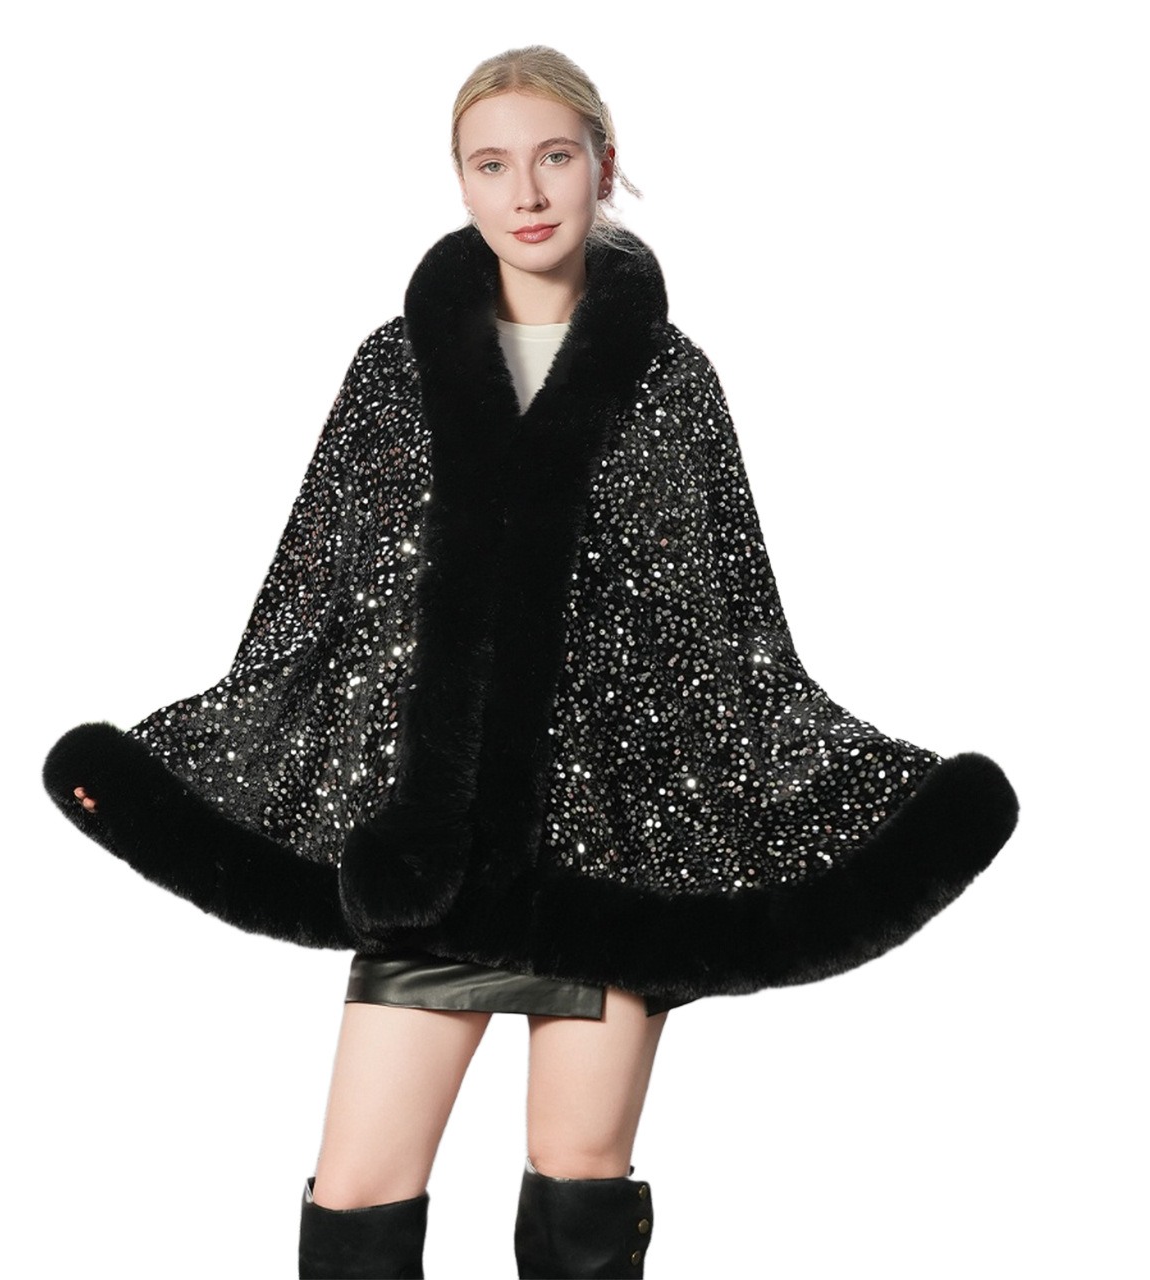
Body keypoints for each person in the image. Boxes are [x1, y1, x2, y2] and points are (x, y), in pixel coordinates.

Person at [51, 44, 1017, 1280]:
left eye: (553, 156)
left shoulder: (671, 382)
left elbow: (726, 643)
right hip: (439, 867)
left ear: (603, 166)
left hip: (607, 860)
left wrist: (889, 819)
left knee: (579, 1186)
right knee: (358, 1189)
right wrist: (171, 782)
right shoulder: (392, 373)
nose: (525, 191)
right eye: (490, 163)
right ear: (457, 180)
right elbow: (318, 617)